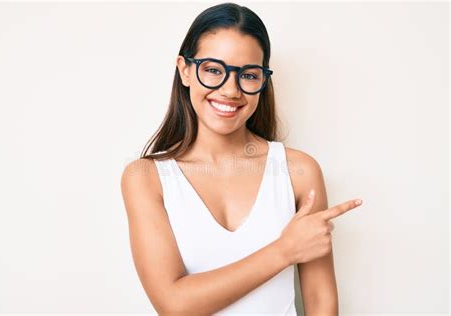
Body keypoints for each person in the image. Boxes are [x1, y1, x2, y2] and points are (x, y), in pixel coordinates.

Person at [121, 3, 363, 315]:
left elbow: (320, 302)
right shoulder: (146, 178)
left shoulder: (299, 172)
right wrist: (284, 251)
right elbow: (174, 304)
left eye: (248, 75)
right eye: (212, 70)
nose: (231, 90)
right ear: (185, 70)